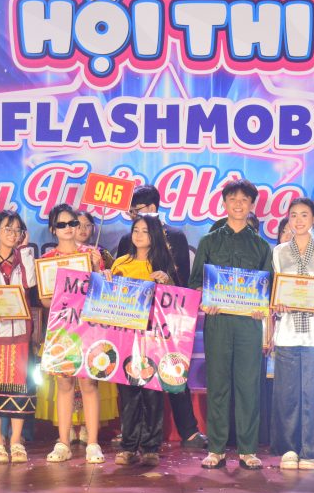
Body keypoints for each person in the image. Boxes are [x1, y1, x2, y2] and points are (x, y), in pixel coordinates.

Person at [116, 185, 207, 449]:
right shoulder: (126, 240)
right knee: (131, 376)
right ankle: (130, 433)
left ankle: (188, 430)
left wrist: (167, 282)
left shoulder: (175, 237)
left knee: (171, 370)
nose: (133, 217)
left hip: (166, 318)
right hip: (132, 321)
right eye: (131, 212)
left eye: (136, 210)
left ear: (152, 209)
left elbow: (183, 281)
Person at [189, 179, 272, 470]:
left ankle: (248, 450)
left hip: (249, 324)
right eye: (233, 199)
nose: (238, 204)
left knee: (249, 385)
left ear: (252, 205)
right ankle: (216, 449)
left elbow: (267, 288)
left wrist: (262, 308)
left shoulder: (261, 246)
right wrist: (204, 300)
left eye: (244, 200)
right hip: (218, 321)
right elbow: (196, 281)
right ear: (224, 203)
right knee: (218, 384)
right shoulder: (209, 242)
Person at [36, 203, 111, 464]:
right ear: (53, 229)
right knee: (64, 384)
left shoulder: (91, 254)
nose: (68, 228)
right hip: (61, 327)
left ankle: (93, 443)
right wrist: (61, 294)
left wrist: (98, 270)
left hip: (88, 325)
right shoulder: (47, 261)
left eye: (72, 223)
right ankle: (63, 443)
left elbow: (102, 291)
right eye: (62, 224)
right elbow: (45, 301)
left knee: (89, 383)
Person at [269, 198, 314, 471]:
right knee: (287, 395)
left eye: (304, 215)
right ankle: (288, 449)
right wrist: (277, 303)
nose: (298, 220)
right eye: (293, 215)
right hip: (287, 331)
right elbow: (275, 288)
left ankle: (312, 451)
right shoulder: (279, 252)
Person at [109, 214, 177, 466]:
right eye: (135, 230)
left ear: (154, 235)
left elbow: (176, 302)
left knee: (152, 393)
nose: (138, 235)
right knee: (128, 394)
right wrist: (105, 279)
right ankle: (128, 446)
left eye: (145, 231)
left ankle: (150, 447)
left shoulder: (162, 265)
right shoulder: (120, 264)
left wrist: (167, 281)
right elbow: (109, 298)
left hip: (153, 337)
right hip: (125, 336)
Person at [0, 209, 38, 464]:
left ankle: (16, 440)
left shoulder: (24, 258)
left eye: (17, 230)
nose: (12, 234)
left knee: (20, 386)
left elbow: (30, 283)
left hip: (20, 332)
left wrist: (25, 251)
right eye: (7, 229)